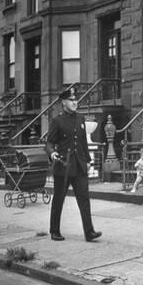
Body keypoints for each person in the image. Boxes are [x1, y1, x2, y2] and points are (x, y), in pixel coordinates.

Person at [45, 87, 102, 242]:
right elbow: (49, 143)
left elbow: (83, 142)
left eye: (76, 99)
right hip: (63, 165)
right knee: (59, 199)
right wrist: (52, 153)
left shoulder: (80, 118)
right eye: (71, 100)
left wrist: (88, 162)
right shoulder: (57, 121)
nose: (75, 102)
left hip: (79, 165)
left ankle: (89, 232)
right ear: (64, 102)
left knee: (84, 199)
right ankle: (54, 230)